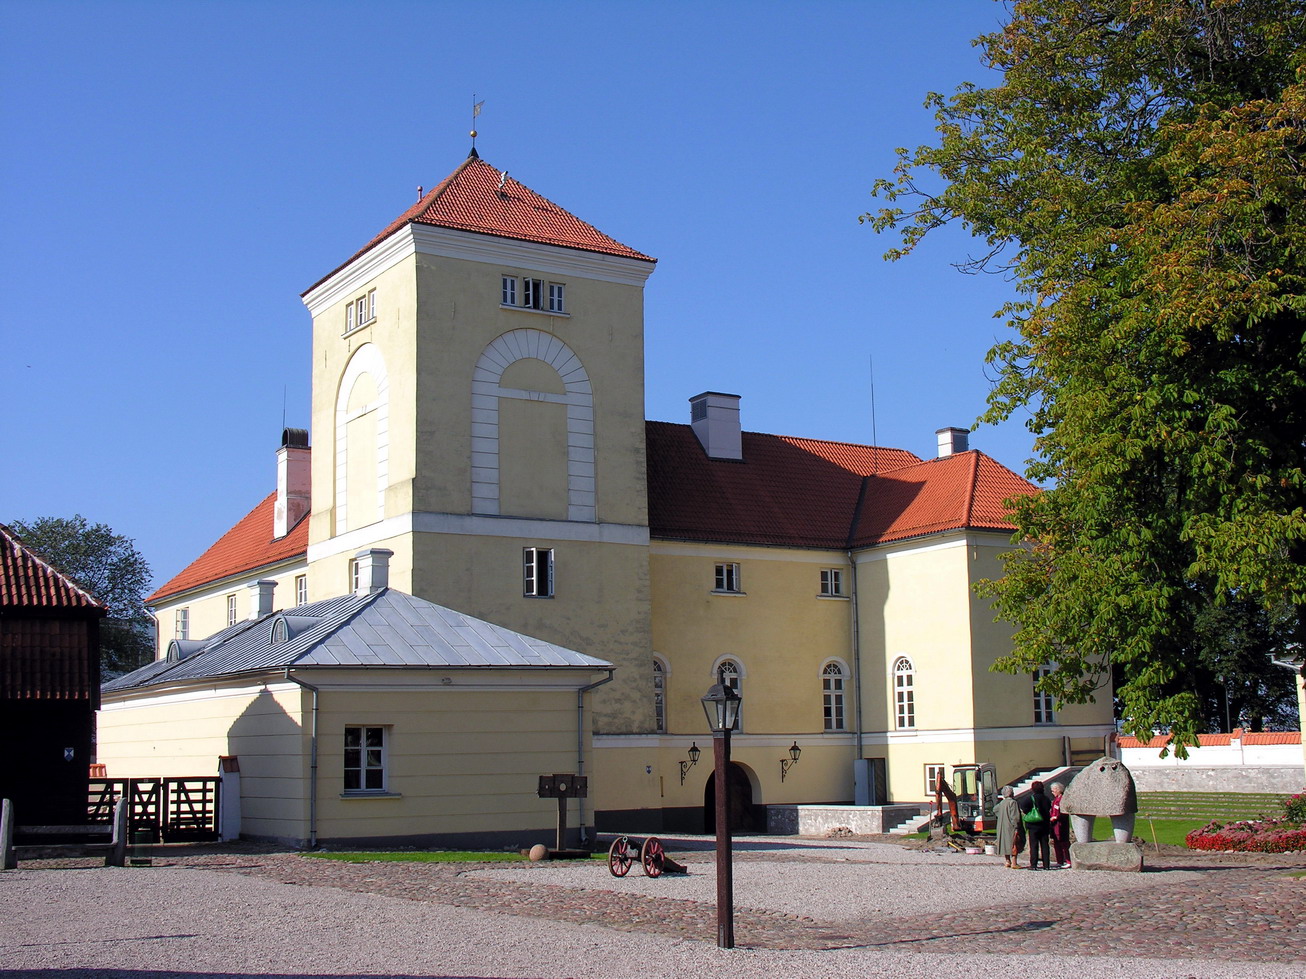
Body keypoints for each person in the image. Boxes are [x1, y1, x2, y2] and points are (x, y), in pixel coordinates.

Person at [1020, 780, 1053, 870]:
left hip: (1033, 825)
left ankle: (1034, 864)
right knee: (1045, 845)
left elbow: (1023, 807)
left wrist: (1028, 811)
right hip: (1044, 824)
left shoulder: (1030, 798)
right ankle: (1046, 864)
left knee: (1034, 845)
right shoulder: (1046, 799)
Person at [994, 785, 1025, 869]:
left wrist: (1000, 816)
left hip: (1002, 825)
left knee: (1005, 843)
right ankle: (1014, 863)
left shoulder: (1002, 803)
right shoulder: (1013, 802)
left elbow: (995, 810)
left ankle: (1007, 861)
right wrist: (1017, 826)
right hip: (1010, 826)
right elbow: (1015, 817)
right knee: (1014, 843)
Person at [1049, 781, 1071, 868]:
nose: (1052, 792)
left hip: (1061, 823)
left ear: (1058, 790)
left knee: (1064, 842)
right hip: (1055, 824)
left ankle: (1068, 860)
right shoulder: (1055, 800)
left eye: (1053, 790)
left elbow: (1062, 812)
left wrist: (1056, 817)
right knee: (1056, 842)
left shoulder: (1062, 799)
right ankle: (1060, 860)